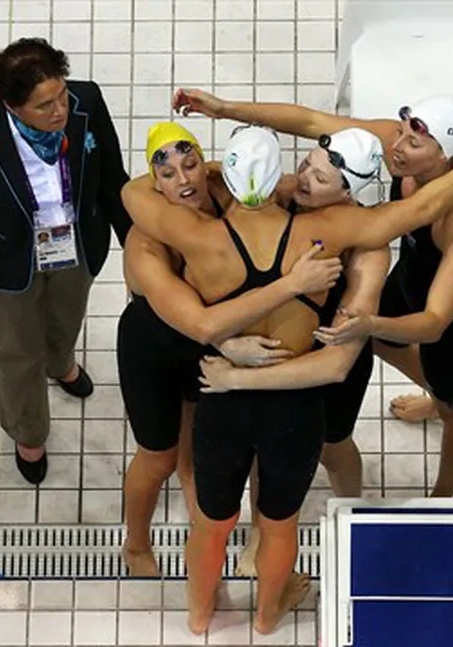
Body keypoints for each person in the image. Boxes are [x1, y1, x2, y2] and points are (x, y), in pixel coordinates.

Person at [121, 125, 453, 634]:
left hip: (225, 391)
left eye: (319, 174)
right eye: (303, 172)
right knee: (278, 524)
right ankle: (268, 617)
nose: (307, 180)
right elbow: (417, 213)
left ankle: (200, 617)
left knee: (210, 523)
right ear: (280, 184)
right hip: (294, 401)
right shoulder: (338, 234)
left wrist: (233, 373)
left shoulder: (199, 236)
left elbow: (131, 194)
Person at [173, 88, 453, 498]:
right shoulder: (396, 153)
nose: (395, 148)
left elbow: (433, 323)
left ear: (445, 156)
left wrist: (369, 323)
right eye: (398, 133)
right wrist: (224, 109)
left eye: (412, 143)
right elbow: (309, 122)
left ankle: (444, 491)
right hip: (409, 279)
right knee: (383, 345)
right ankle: (433, 394)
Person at [117, 122, 344, 577]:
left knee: (224, 438)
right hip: (159, 344)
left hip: (220, 338)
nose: (183, 180)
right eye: (167, 174)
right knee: (157, 455)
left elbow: (288, 181)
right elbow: (196, 321)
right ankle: (136, 543)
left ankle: (246, 525)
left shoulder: (228, 191)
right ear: (153, 183)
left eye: (191, 164)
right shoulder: (145, 244)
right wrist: (285, 292)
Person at [0, 38, 130, 484]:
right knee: (16, 350)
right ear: (11, 104)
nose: (60, 110)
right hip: (9, 260)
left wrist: (135, 245)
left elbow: (112, 177)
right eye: (44, 105)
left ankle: (59, 360)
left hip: (74, 240)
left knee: (67, 312)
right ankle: (28, 430)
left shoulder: (88, 101)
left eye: (61, 95)